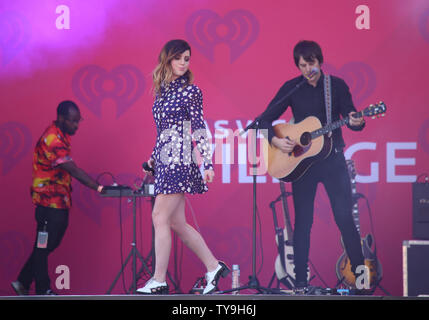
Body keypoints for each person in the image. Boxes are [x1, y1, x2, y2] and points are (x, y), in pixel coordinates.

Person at [259, 40, 366, 290]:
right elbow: (264, 119)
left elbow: (351, 116)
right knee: (303, 222)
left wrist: (356, 121)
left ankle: (361, 280)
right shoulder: (292, 88)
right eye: (303, 65)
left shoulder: (336, 86)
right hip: (302, 164)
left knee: (344, 217)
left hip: (333, 161)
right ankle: (299, 283)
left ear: (321, 61)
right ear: (298, 65)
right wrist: (275, 139)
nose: (308, 69)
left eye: (312, 63)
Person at [137, 39, 229, 295]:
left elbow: (198, 127)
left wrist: (207, 162)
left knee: (159, 217)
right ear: (167, 59)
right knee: (176, 223)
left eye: (186, 59)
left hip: (179, 159)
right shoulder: (162, 91)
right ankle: (213, 266)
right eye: (178, 58)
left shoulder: (191, 91)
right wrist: (153, 158)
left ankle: (158, 279)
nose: (182, 63)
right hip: (165, 158)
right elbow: (165, 132)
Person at [11, 100, 105, 295]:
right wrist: (97, 187)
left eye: (78, 121)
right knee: (44, 244)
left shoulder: (62, 135)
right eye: (73, 121)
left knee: (46, 244)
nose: (76, 125)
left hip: (58, 202)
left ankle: (22, 281)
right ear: (61, 118)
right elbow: (72, 169)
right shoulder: (53, 138)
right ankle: (43, 289)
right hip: (48, 203)